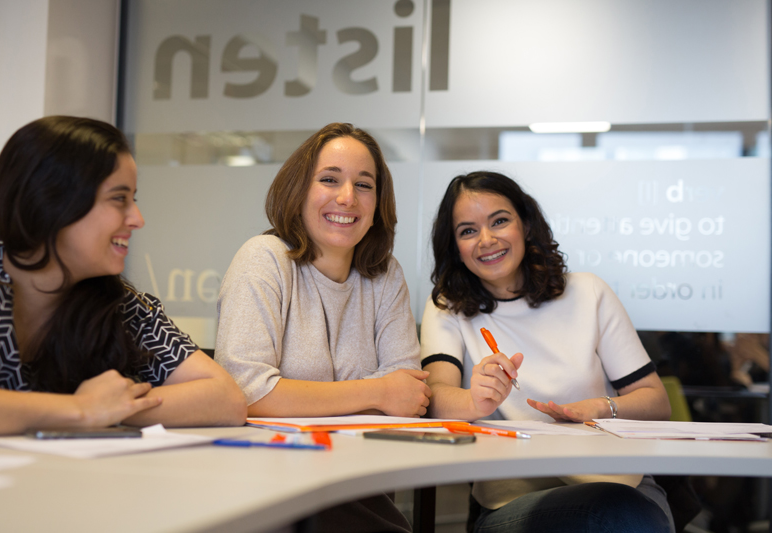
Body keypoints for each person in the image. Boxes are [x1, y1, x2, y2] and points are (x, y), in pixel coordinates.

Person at [420, 171, 674, 532]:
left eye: (500, 221)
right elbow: (435, 400)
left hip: (622, 485)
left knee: (622, 510)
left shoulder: (589, 292)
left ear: (525, 225)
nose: (487, 240)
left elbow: (656, 402)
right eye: (468, 231)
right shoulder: (448, 307)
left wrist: (600, 407)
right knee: (616, 515)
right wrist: (476, 401)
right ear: (455, 248)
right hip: (511, 500)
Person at [0, 116, 246, 436]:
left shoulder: (119, 303)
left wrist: (110, 410)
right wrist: (79, 410)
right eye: (119, 199)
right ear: (51, 201)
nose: (137, 219)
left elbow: (226, 398)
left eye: (134, 199)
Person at [215, 122, 429, 532]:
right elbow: (247, 392)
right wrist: (378, 392)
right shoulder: (263, 258)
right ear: (298, 192)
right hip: (273, 483)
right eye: (329, 179)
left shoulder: (385, 275)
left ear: (378, 203)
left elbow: (408, 398)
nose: (347, 197)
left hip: (359, 480)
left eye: (364, 185)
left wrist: (295, 397)